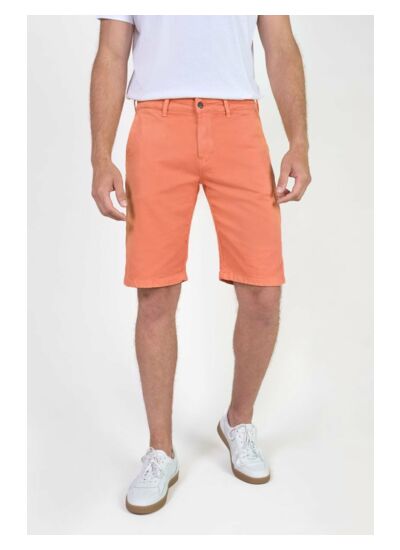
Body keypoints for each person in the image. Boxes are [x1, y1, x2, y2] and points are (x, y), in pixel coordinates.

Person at [90, 15, 311, 515]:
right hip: (156, 122)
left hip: (239, 122)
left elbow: (281, 45)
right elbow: (111, 54)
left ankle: (238, 420)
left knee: (263, 291)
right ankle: (160, 451)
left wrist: (298, 141)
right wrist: (100, 156)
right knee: (155, 293)